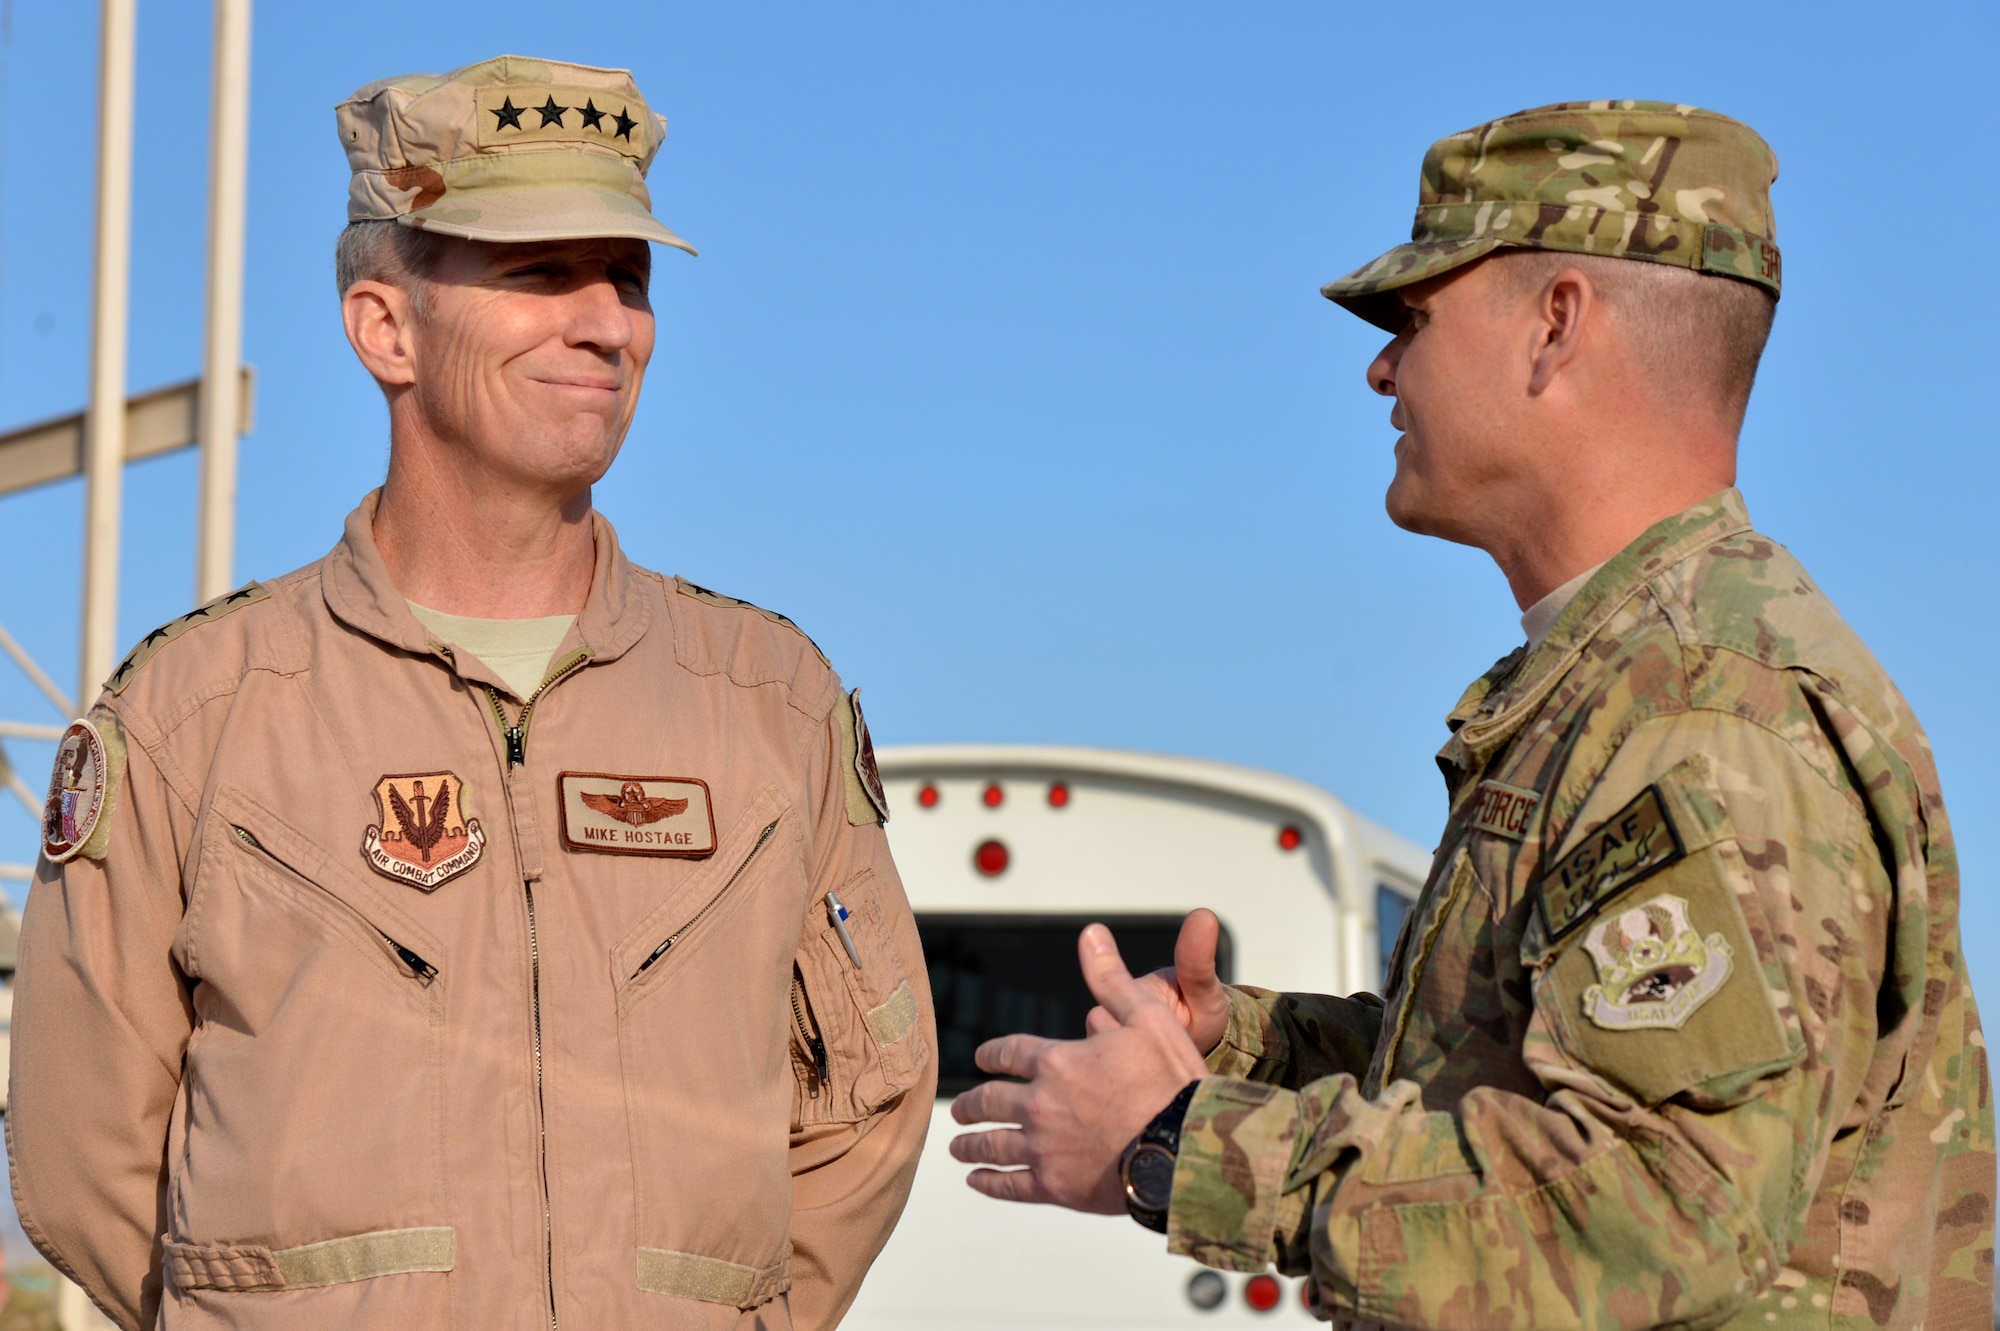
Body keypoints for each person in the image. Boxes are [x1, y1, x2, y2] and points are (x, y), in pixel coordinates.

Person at [948, 101, 1995, 1328]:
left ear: (1555, 324)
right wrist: (1248, 1047)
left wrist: (1183, 1140)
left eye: (1413, 316)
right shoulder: (1626, 679)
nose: (1380, 367)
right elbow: (1535, 1075)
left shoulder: (1706, 704)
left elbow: (1663, 1199)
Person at [8, 55, 934, 1331]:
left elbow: (866, 1106)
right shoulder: (195, 711)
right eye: (539, 273)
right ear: (385, 326)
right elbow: (79, 1151)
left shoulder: (764, 698)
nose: (607, 322)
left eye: (629, 277)